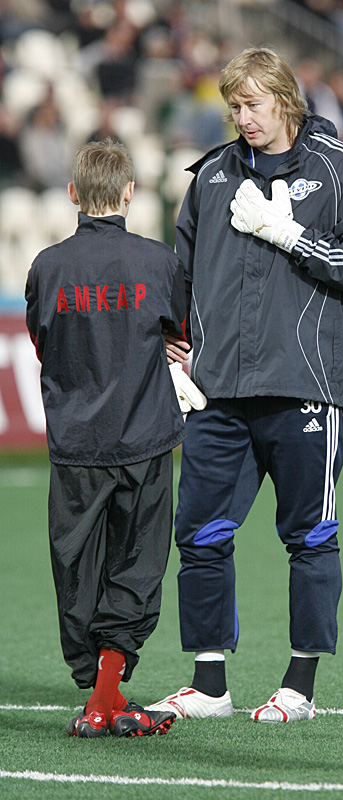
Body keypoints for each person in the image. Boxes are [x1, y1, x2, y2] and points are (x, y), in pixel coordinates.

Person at [149, 46, 343, 723]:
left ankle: (300, 687)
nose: (242, 117)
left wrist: (293, 237)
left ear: (284, 99)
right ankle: (209, 685)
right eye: (233, 106)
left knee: (309, 535)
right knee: (199, 534)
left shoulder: (340, 167)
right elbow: (181, 275)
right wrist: (171, 345)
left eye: (252, 104)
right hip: (219, 391)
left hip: (304, 384)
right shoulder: (211, 175)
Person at [25, 138, 206, 739]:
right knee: (138, 563)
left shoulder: (47, 267)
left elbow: (43, 343)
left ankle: (100, 690)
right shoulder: (159, 262)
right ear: (130, 192)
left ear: (73, 193)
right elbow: (179, 332)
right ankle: (108, 691)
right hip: (145, 438)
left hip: (76, 442)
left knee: (75, 569)